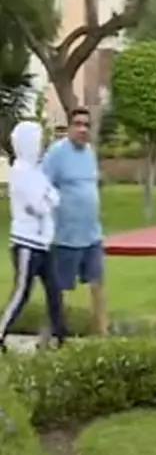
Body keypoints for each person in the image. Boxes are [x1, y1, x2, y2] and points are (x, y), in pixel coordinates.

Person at [0, 121, 69, 353]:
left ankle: (61, 337)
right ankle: (1, 333)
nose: (41, 145)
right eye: (38, 141)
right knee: (21, 293)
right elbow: (40, 204)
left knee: (55, 290)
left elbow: (54, 197)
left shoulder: (36, 171)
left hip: (44, 242)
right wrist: (47, 198)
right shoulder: (20, 172)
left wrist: (48, 197)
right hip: (25, 244)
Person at [42, 108, 108, 335]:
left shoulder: (89, 152)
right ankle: (51, 336)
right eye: (78, 124)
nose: (82, 129)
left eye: (86, 125)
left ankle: (103, 334)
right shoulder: (56, 153)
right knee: (60, 290)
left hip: (91, 233)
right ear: (69, 127)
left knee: (97, 283)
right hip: (65, 237)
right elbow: (43, 188)